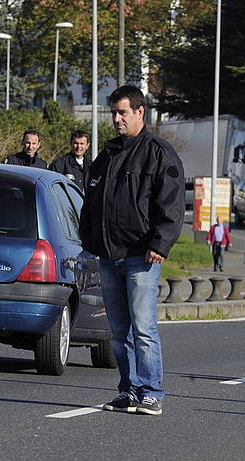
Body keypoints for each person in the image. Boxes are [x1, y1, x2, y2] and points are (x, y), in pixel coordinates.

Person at [80, 85, 184, 416]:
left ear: (140, 112)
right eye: (113, 112)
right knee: (118, 333)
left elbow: (171, 204)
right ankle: (129, 389)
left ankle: (151, 391)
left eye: (122, 112)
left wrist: (160, 244)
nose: (116, 119)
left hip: (141, 256)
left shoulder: (158, 153)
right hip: (108, 256)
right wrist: (89, 241)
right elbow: (91, 203)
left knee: (143, 329)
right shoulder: (106, 156)